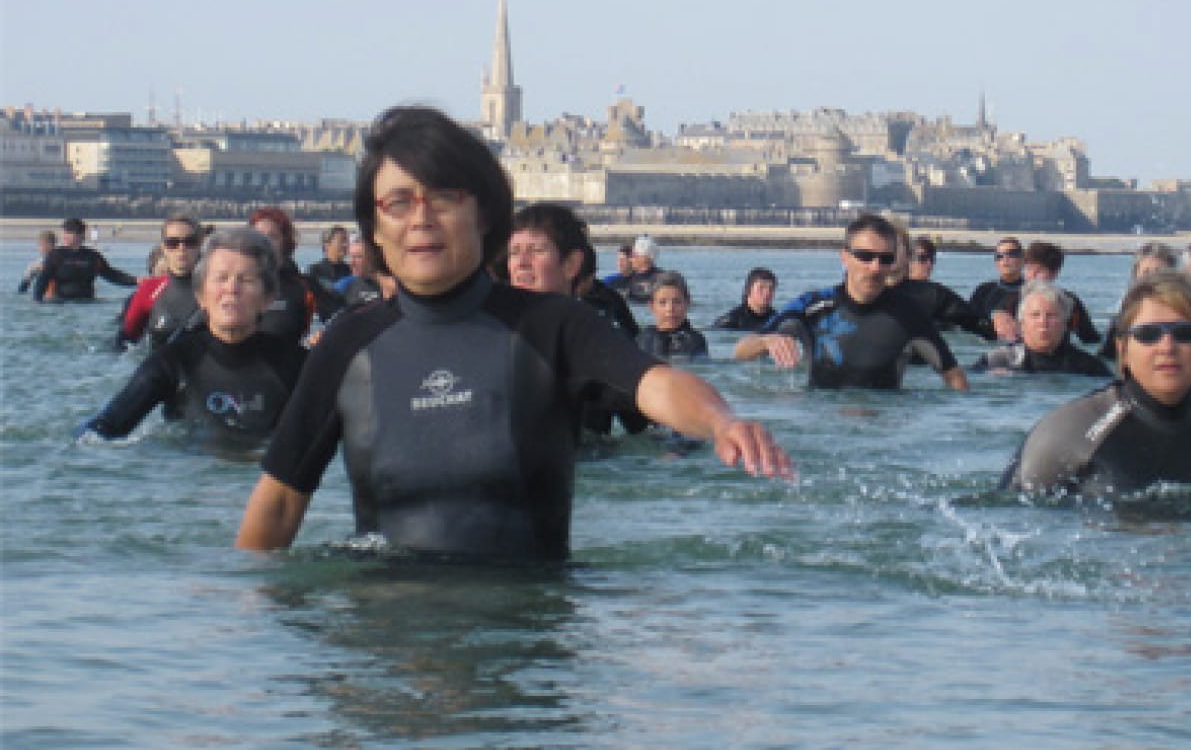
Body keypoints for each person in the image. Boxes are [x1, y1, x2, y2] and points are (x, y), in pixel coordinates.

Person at [234, 105, 788, 559]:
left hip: (523, 658)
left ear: (484, 213)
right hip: (385, 652)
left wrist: (721, 421)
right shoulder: (347, 346)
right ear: (375, 226)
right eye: (399, 203)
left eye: (444, 197)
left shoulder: (551, 326)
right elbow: (281, 502)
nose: (420, 219)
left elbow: (653, 382)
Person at [1001, 270, 1191, 497]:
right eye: (1149, 334)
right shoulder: (1068, 433)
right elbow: (1008, 516)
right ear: (1123, 348)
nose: (1167, 346)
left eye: (1185, 333)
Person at [77, 229, 307, 447]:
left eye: (245, 280)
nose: (231, 289)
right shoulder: (172, 362)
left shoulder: (300, 366)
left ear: (268, 298)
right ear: (201, 295)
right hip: (189, 476)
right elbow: (101, 431)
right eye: (221, 278)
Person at [733, 213, 969, 391]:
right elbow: (741, 351)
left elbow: (954, 377)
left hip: (885, 427)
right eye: (865, 257)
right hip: (823, 422)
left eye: (885, 259)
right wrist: (767, 341)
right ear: (844, 256)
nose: (875, 267)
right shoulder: (814, 306)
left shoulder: (908, 315)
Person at [505, 202, 646, 436]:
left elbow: (650, 428)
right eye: (514, 252)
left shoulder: (602, 345)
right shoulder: (488, 336)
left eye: (537, 251)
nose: (521, 263)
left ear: (571, 264)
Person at [973, 280, 1110, 377]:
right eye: (1035, 315)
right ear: (1022, 323)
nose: (1043, 322)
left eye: (1051, 315)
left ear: (1065, 323)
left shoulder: (1089, 367)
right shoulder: (996, 362)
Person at [115, 214, 206, 352]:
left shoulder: (215, 288)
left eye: (189, 242)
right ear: (163, 247)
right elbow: (126, 338)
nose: (181, 248)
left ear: (200, 245)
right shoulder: (150, 289)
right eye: (173, 243)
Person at [895, 236, 992, 338]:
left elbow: (971, 319)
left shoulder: (938, 294)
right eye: (922, 258)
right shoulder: (934, 294)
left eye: (931, 259)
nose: (929, 264)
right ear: (907, 261)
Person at [247, 207, 317, 344]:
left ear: (284, 242)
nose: (265, 242)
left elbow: (339, 316)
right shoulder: (234, 283)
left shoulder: (302, 286)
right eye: (259, 235)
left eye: (272, 236)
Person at [1099, 242, 1178, 360]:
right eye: (1146, 273)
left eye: (1159, 272)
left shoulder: (1184, 318)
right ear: (1135, 278)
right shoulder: (1122, 321)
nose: (1152, 279)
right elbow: (1105, 359)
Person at [31, 217, 137, 301]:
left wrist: (136, 281)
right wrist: (37, 300)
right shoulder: (55, 255)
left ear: (81, 235)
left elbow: (111, 274)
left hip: (88, 302)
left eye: (69, 232)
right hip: (61, 303)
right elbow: (42, 279)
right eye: (65, 232)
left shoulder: (92, 256)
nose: (64, 235)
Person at [1021, 241, 1101, 344]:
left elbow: (1090, 338)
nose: (1032, 275)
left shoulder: (1070, 301)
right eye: (1028, 269)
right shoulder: (1014, 298)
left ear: (1054, 273)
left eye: (1039, 271)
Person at [636, 271, 709, 361]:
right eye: (662, 302)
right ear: (651, 306)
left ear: (687, 303)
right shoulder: (644, 337)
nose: (670, 309)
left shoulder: (695, 340)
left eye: (677, 302)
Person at [967, 236, 1024, 341]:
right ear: (996, 263)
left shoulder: (1032, 293)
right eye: (999, 256)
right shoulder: (983, 291)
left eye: (1011, 254)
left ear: (1022, 260)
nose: (1005, 259)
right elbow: (970, 324)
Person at [306, 225, 353, 319]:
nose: (346, 245)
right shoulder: (315, 271)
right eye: (342, 241)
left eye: (347, 241)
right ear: (327, 245)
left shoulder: (350, 270)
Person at [333, 236, 393, 308]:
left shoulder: (390, 285)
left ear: (372, 258)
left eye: (358, 257)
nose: (352, 262)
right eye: (350, 257)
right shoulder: (345, 285)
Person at [712, 267, 778, 331]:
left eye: (771, 288)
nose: (767, 293)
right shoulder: (731, 320)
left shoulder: (778, 319)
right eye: (761, 288)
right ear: (748, 290)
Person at [622, 235, 664, 303]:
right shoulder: (626, 277)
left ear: (644, 258)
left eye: (633, 255)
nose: (630, 259)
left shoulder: (662, 279)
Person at [16, 230, 56, 294]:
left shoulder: (36, 265)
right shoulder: (64, 259)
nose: (39, 248)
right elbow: (22, 287)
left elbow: (22, 289)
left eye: (40, 245)